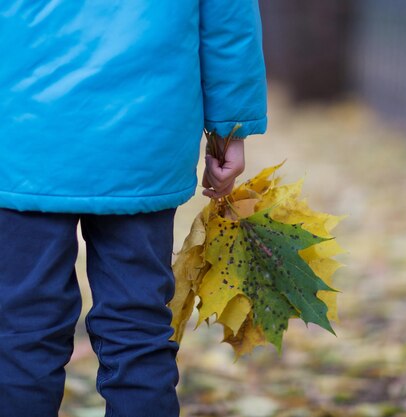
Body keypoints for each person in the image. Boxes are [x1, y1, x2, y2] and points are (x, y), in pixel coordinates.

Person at [0, 1, 267, 416]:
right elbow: (227, 17)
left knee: (22, 328)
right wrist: (231, 126)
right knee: (137, 326)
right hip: (145, 128)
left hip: (21, 124)